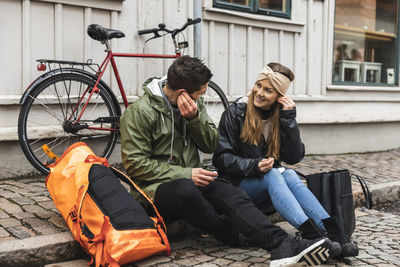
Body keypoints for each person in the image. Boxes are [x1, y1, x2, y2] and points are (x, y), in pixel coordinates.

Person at [120, 56, 331, 266]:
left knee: (232, 194)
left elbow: (211, 145)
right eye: (201, 93)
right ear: (183, 93)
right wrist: (186, 174)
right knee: (186, 190)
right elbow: (135, 165)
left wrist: (194, 120)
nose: (203, 96)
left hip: (194, 180)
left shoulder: (195, 103)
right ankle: (229, 235)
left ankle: (282, 245)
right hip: (154, 191)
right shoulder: (139, 112)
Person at [212, 62, 359, 258]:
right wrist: (254, 166)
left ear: (279, 96)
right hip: (237, 187)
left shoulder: (280, 115)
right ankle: (312, 235)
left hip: (269, 189)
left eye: (268, 90)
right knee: (274, 173)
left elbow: (294, 157)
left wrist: (289, 119)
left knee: (288, 173)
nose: (259, 92)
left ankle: (335, 235)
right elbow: (221, 159)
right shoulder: (236, 112)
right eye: (258, 85)